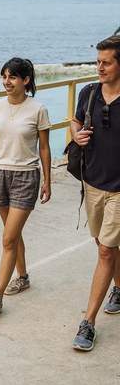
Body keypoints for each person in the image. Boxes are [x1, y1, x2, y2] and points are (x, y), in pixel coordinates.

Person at [0, 57, 51, 315]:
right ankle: (23, 277)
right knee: (12, 235)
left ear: (26, 80)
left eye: (12, 77)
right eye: (4, 76)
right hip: (1, 175)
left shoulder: (38, 109)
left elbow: (45, 148)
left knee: (8, 239)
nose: (7, 81)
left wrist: (48, 180)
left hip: (26, 176)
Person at [71, 35, 120, 351]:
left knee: (105, 250)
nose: (99, 68)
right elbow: (74, 122)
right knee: (105, 245)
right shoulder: (88, 93)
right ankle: (119, 287)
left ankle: (88, 323)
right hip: (92, 184)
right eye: (97, 62)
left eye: (106, 62)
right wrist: (78, 136)